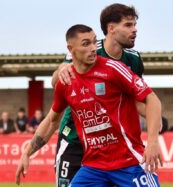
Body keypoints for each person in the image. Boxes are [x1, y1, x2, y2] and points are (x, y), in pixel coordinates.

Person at [16, 24, 162, 187]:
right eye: (86, 44)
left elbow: (151, 99)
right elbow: (51, 121)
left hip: (129, 162)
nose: (93, 48)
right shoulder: (65, 83)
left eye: (94, 42)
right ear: (71, 49)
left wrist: (153, 141)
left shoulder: (114, 69)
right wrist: (27, 153)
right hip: (94, 167)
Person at [51, 4, 148, 186]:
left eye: (135, 25)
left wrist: (155, 121)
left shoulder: (133, 59)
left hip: (109, 145)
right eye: (128, 25)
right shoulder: (89, 48)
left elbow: (138, 98)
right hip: (74, 137)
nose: (135, 30)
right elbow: (56, 82)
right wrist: (62, 68)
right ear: (111, 29)